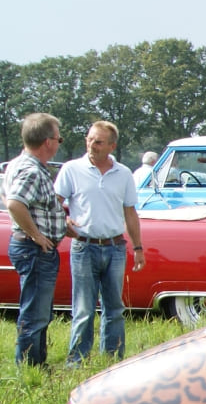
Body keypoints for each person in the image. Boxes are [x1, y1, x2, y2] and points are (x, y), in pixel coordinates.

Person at [54, 121, 146, 364]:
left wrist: (137, 247)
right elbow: (54, 201)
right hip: (84, 246)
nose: (91, 145)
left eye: (98, 141)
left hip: (115, 247)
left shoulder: (124, 173)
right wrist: (63, 221)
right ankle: (77, 361)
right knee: (83, 309)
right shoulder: (72, 169)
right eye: (89, 139)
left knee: (114, 307)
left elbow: (130, 212)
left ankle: (112, 360)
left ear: (112, 146)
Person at [4, 114, 67, 366]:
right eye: (59, 137)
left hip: (30, 246)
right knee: (36, 314)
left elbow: (34, 207)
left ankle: (37, 363)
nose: (59, 142)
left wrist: (62, 225)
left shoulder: (18, 164)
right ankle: (31, 368)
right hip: (34, 249)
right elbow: (15, 203)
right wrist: (36, 234)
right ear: (47, 141)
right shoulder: (32, 170)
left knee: (38, 312)